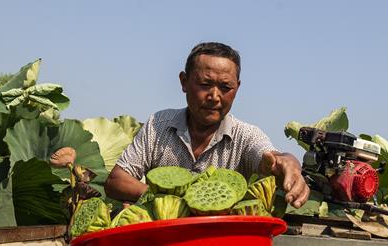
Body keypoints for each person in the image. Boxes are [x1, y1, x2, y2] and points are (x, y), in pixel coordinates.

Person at [102, 42, 310, 208]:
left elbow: (273, 158)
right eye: (205, 84)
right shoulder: (158, 125)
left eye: (225, 87)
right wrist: (170, 201)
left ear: (237, 88)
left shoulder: (246, 136)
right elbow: (116, 180)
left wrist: (289, 164)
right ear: (184, 82)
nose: (214, 96)